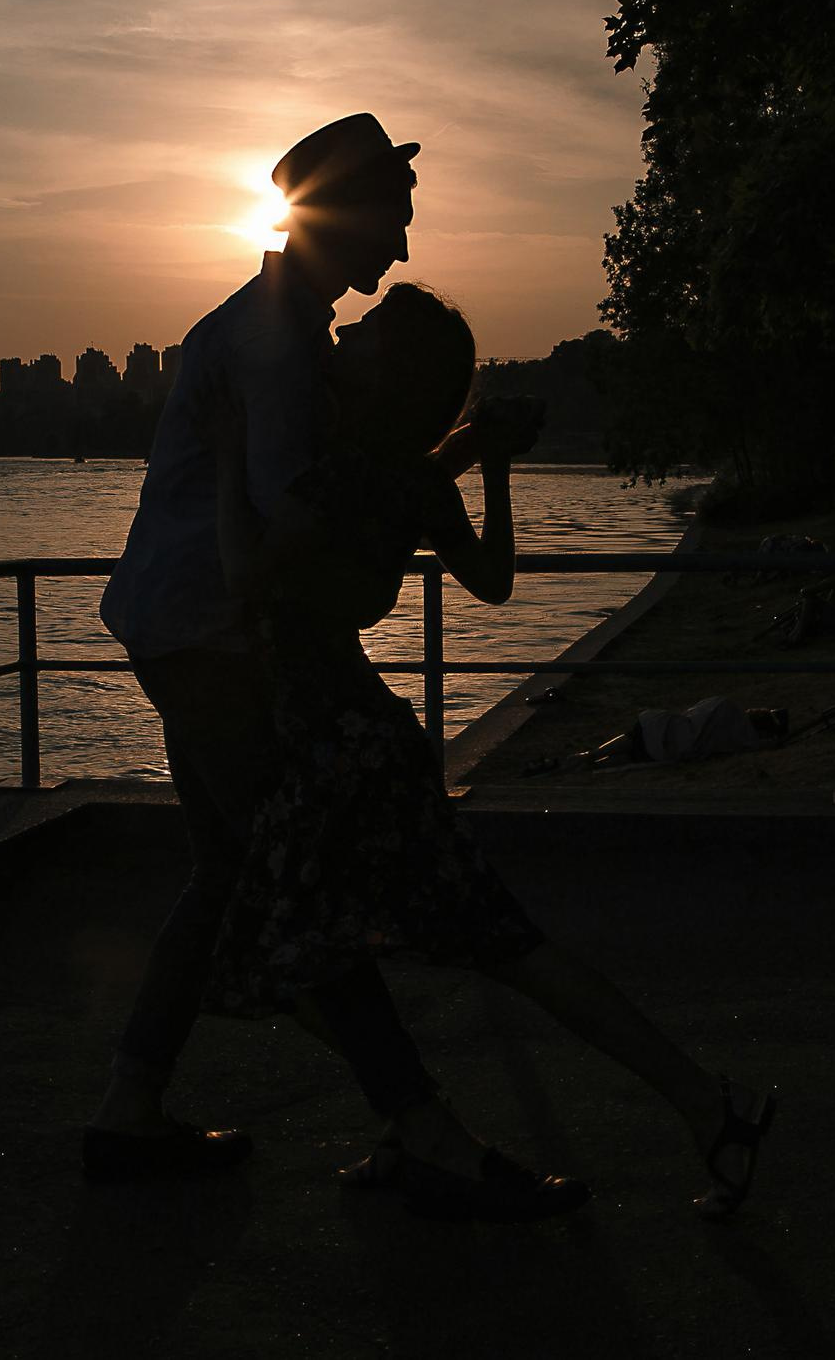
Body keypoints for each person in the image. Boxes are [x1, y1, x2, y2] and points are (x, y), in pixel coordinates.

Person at [204, 282, 776, 1220]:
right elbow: (496, 582)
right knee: (488, 947)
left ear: (390, 374)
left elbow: (241, 574)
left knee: (284, 950)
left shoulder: (337, 476)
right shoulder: (414, 479)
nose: (347, 327)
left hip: (338, 760)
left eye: (370, 329)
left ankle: (688, 1104)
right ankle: (699, 1105)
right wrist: (493, 463)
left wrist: (227, 459)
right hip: (372, 749)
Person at [89, 113, 556, 1212]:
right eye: (391, 218)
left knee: (227, 878)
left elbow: (322, 502)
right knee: (307, 890)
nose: (397, 247)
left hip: (175, 627)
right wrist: (452, 464)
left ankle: (126, 1108)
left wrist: (447, 460)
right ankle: (424, 1128)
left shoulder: (269, 326)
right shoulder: (283, 345)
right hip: (210, 640)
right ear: (340, 215)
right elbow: (296, 516)